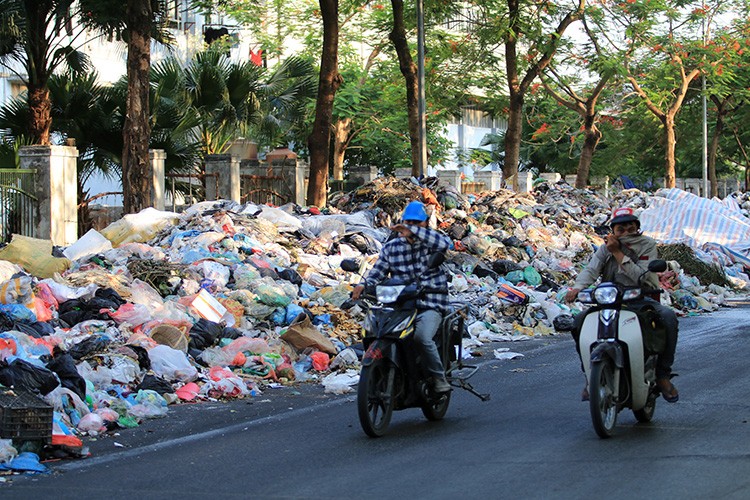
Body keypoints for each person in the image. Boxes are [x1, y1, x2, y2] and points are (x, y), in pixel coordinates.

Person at [565, 207, 679, 403]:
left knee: (668, 318)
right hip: (610, 300)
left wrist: (617, 252)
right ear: (613, 231)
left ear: (637, 228)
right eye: (621, 230)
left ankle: (662, 375)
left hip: (641, 298)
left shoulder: (646, 245)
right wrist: (577, 288)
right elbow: (591, 270)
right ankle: (588, 376)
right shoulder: (605, 248)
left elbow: (642, 277)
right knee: (578, 322)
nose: (626, 233)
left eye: (630, 229)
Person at [352, 200, 453, 393]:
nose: (412, 227)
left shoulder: (432, 242)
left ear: (425, 224)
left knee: (422, 337)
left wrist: (414, 232)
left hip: (429, 302)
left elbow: (445, 244)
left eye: (417, 223)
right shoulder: (392, 247)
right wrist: (363, 285)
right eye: (409, 223)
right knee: (376, 331)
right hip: (400, 304)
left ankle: (439, 378)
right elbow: (378, 271)